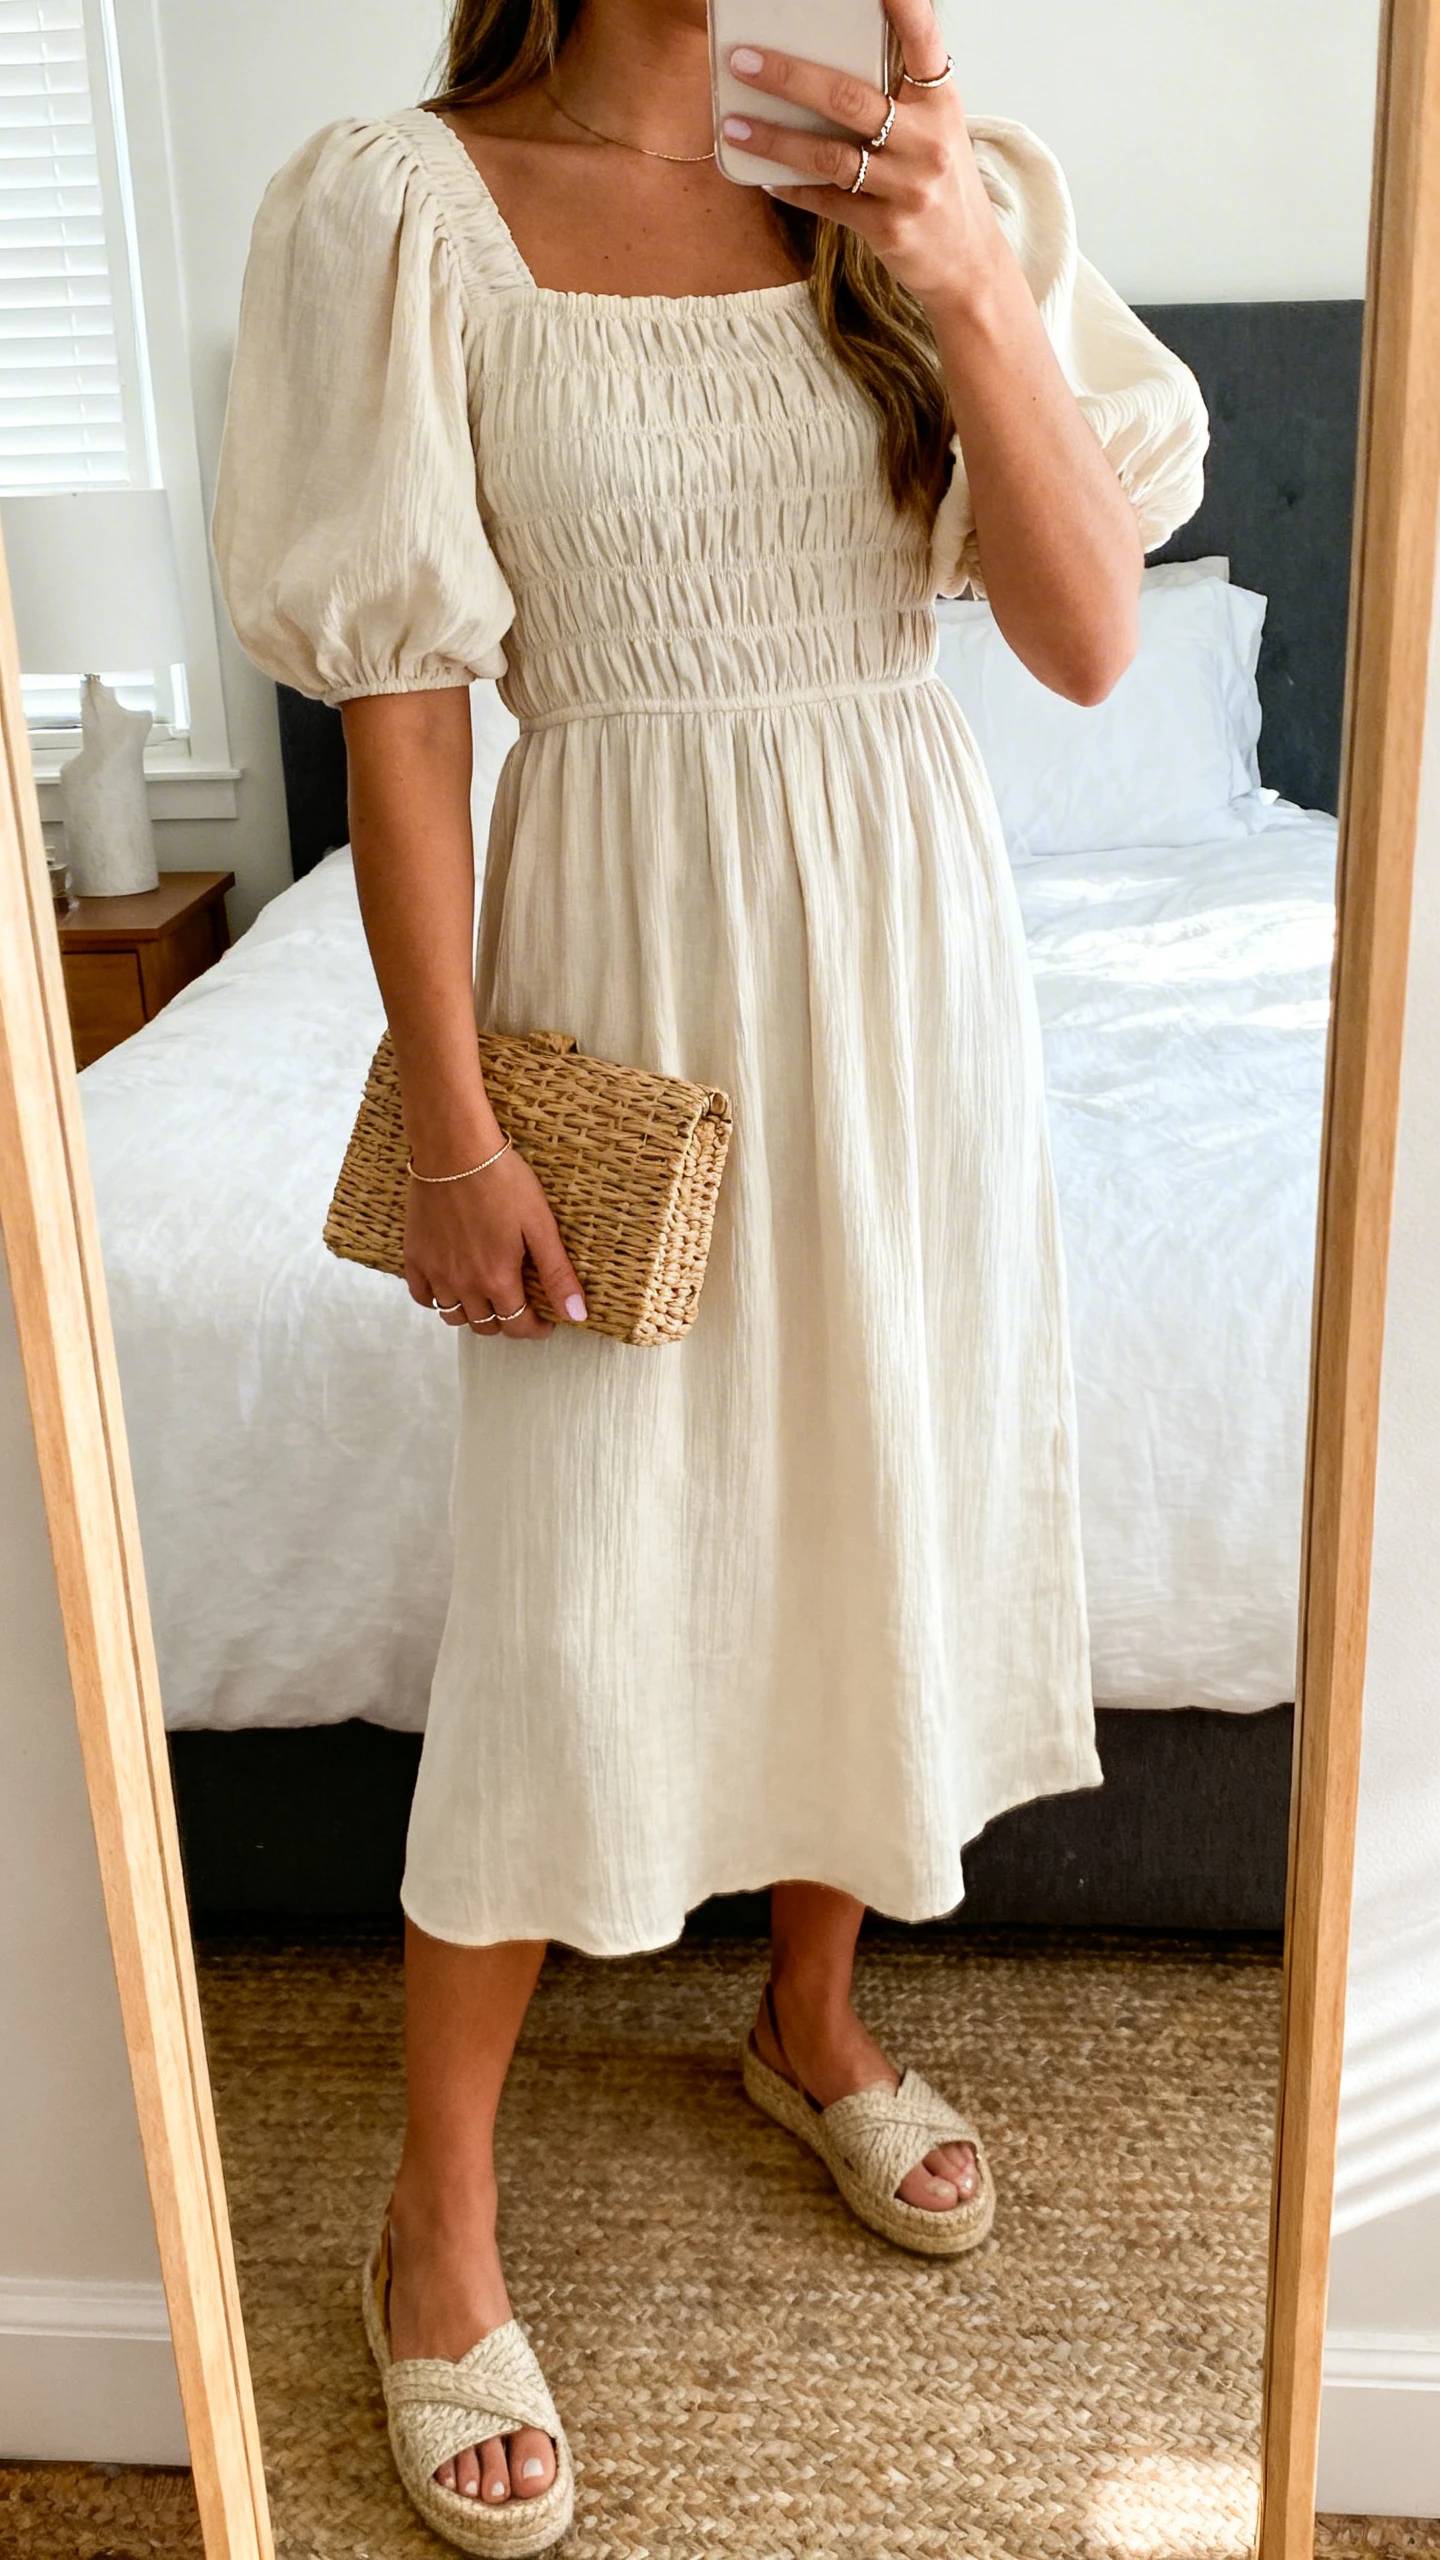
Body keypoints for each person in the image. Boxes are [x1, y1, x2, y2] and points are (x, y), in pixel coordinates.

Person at [213, 0, 1206, 2544]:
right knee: (576, 1595)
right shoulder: (406, 208)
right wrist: (450, 1119)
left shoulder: (930, 188)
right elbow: (410, 717)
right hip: (614, 956)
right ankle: (433, 2230)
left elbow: (1093, 641)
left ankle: (811, 2007)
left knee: (875, 1486)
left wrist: (966, 270)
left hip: (908, 965)